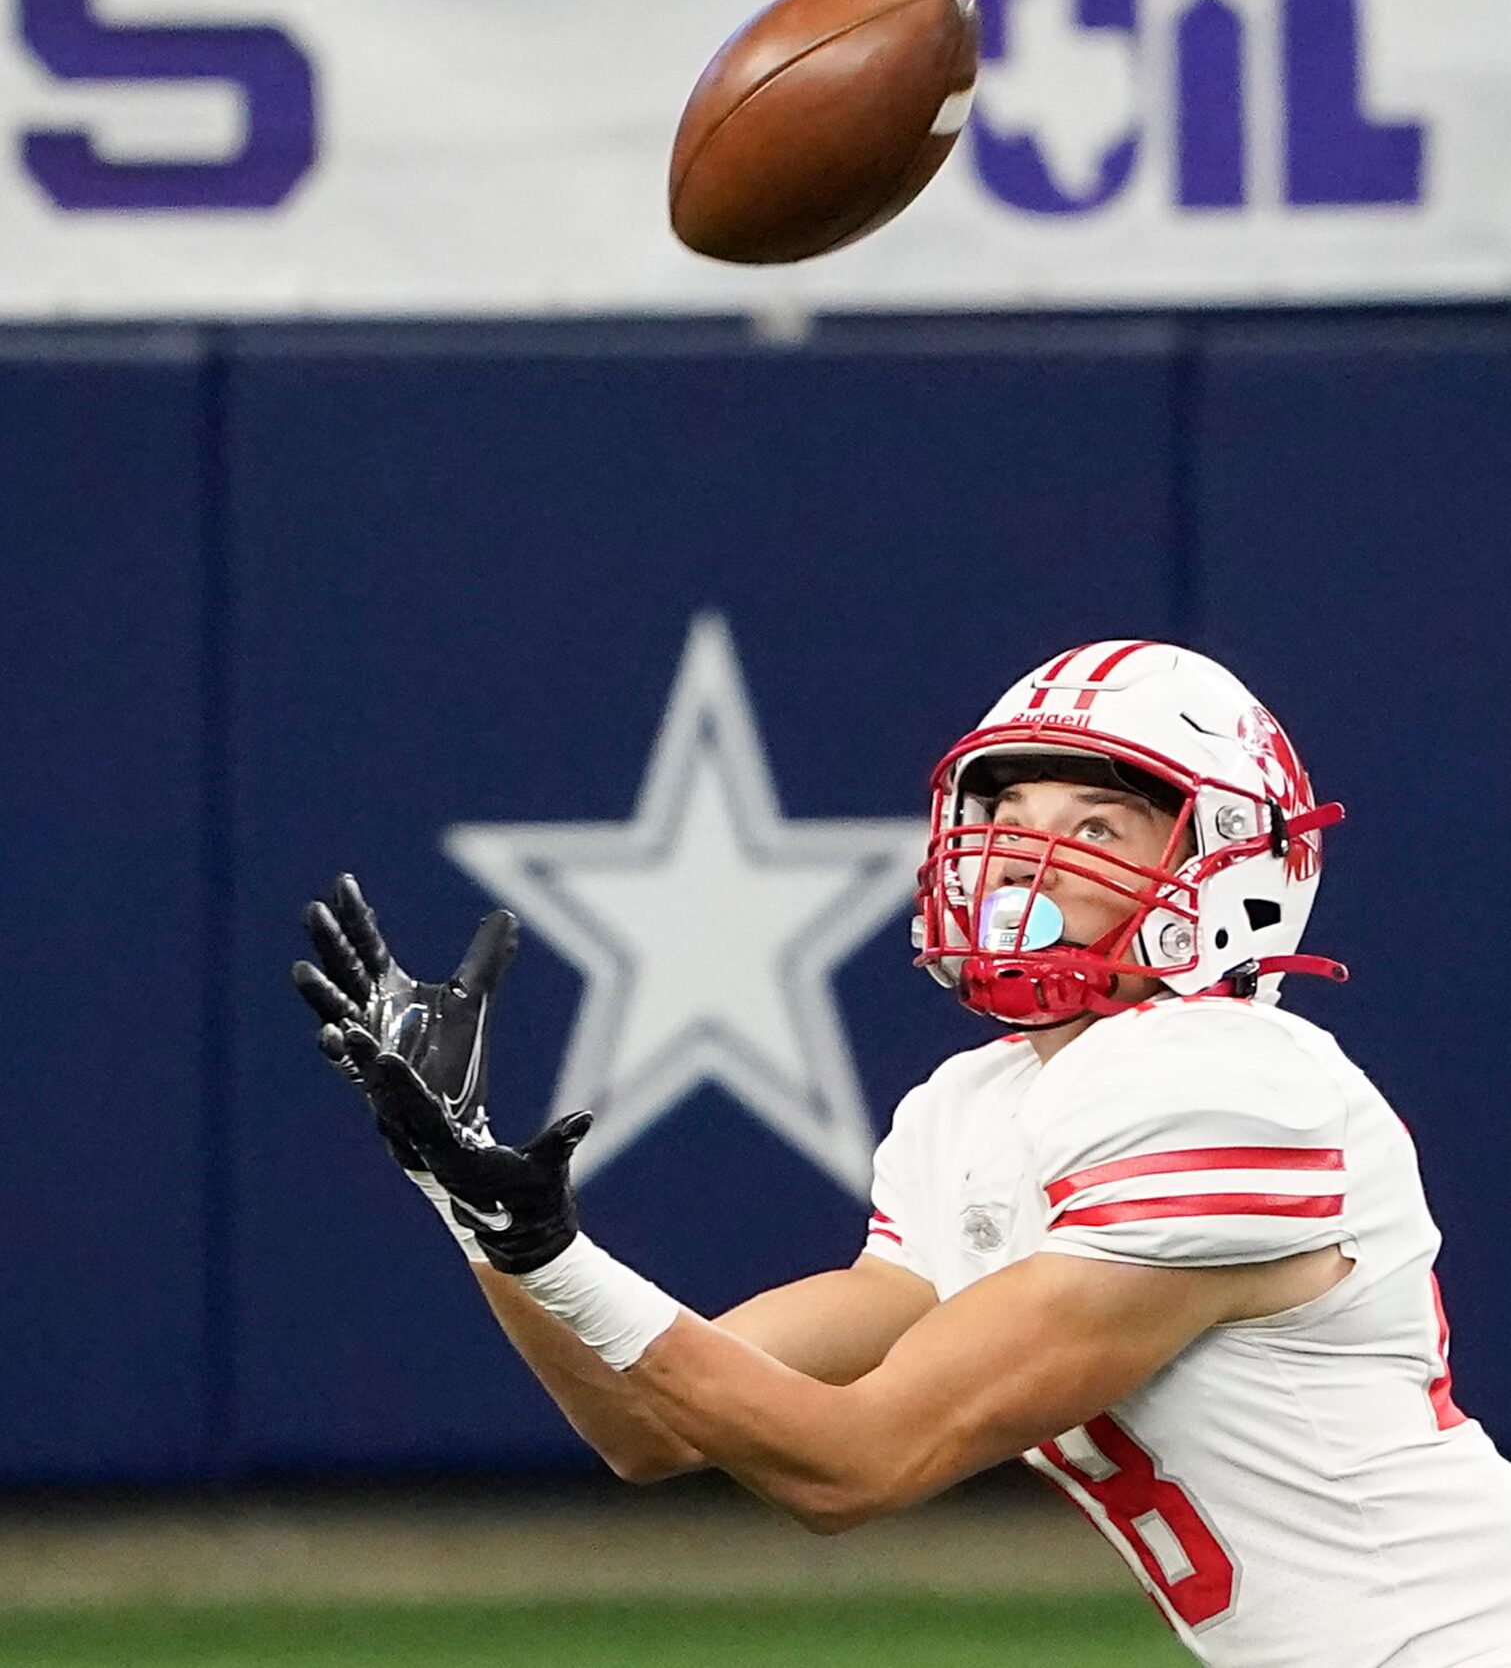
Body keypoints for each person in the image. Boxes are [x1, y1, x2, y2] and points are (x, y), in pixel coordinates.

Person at [295, 639, 1511, 1668]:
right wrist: (464, 1185)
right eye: (1006, 817)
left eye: (1096, 824)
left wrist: (547, 1248)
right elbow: (650, 1424)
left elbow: (853, 1464)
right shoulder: (975, 1104)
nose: (1026, 861)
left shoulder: (1230, 1086)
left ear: (1232, 868)